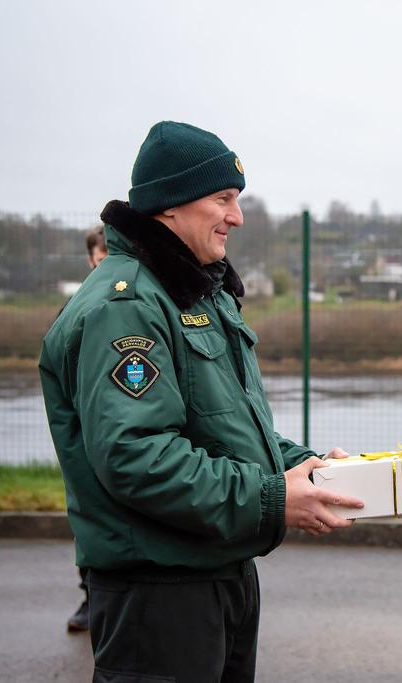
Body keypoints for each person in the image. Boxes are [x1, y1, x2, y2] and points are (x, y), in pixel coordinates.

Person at [39, 120, 363, 682]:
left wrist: (303, 468)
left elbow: (220, 425)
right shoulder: (127, 306)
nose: (237, 217)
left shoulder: (193, 292)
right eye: (223, 199)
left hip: (219, 572)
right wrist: (270, 499)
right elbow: (137, 456)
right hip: (160, 593)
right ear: (171, 204)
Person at [65, 223, 110, 633]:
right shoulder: (80, 307)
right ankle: (89, 596)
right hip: (84, 432)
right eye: (101, 256)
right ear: (90, 259)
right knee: (88, 516)